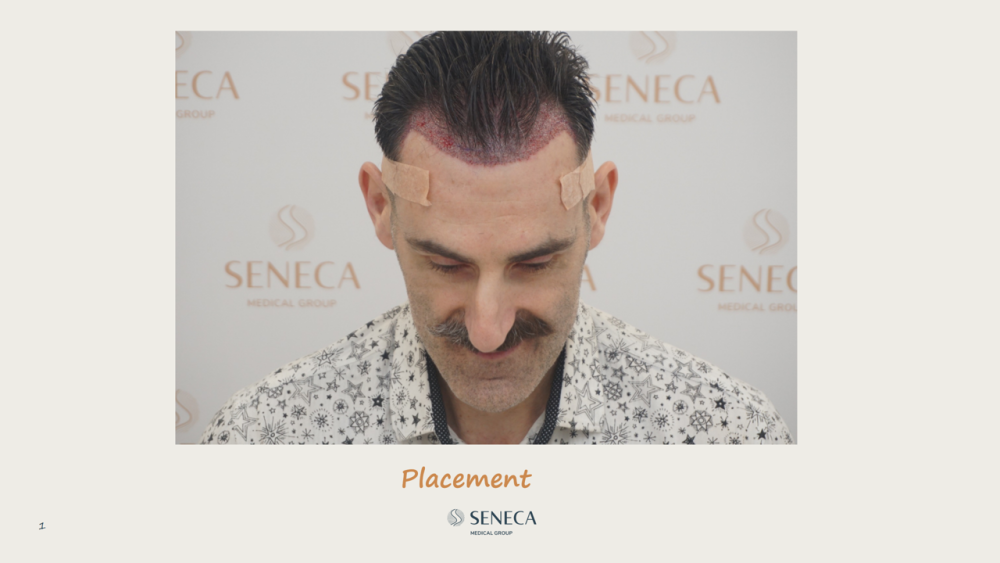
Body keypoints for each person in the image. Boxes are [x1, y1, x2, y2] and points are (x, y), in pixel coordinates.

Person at [200, 31, 793, 446]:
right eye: (445, 265)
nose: (489, 331)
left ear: (596, 207)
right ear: (381, 207)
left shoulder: (726, 436)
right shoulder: (265, 438)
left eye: (535, 264)